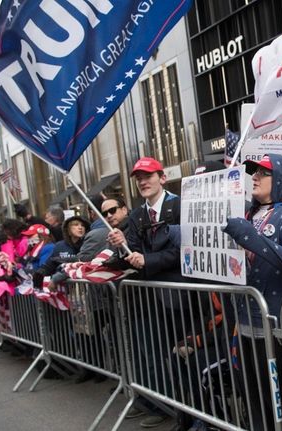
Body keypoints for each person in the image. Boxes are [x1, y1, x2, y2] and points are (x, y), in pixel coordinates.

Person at [222, 154, 282, 431]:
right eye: (254, 172)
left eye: (264, 172)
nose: (255, 177)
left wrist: (248, 235)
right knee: (261, 397)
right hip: (251, 323)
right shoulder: (249, 213)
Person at [108, 156, 182, 429]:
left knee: (182, 355)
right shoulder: (138, 215)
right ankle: (166, 407)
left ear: (162, 178)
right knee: (156, 354)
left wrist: (148, 260)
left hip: (182, 297)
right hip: (150, 298)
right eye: (138, 177)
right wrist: (123, 246)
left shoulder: (180, 205)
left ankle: (189, 412)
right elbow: (134, 253)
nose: (142, 181)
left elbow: (183, 251)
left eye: (148, 175)